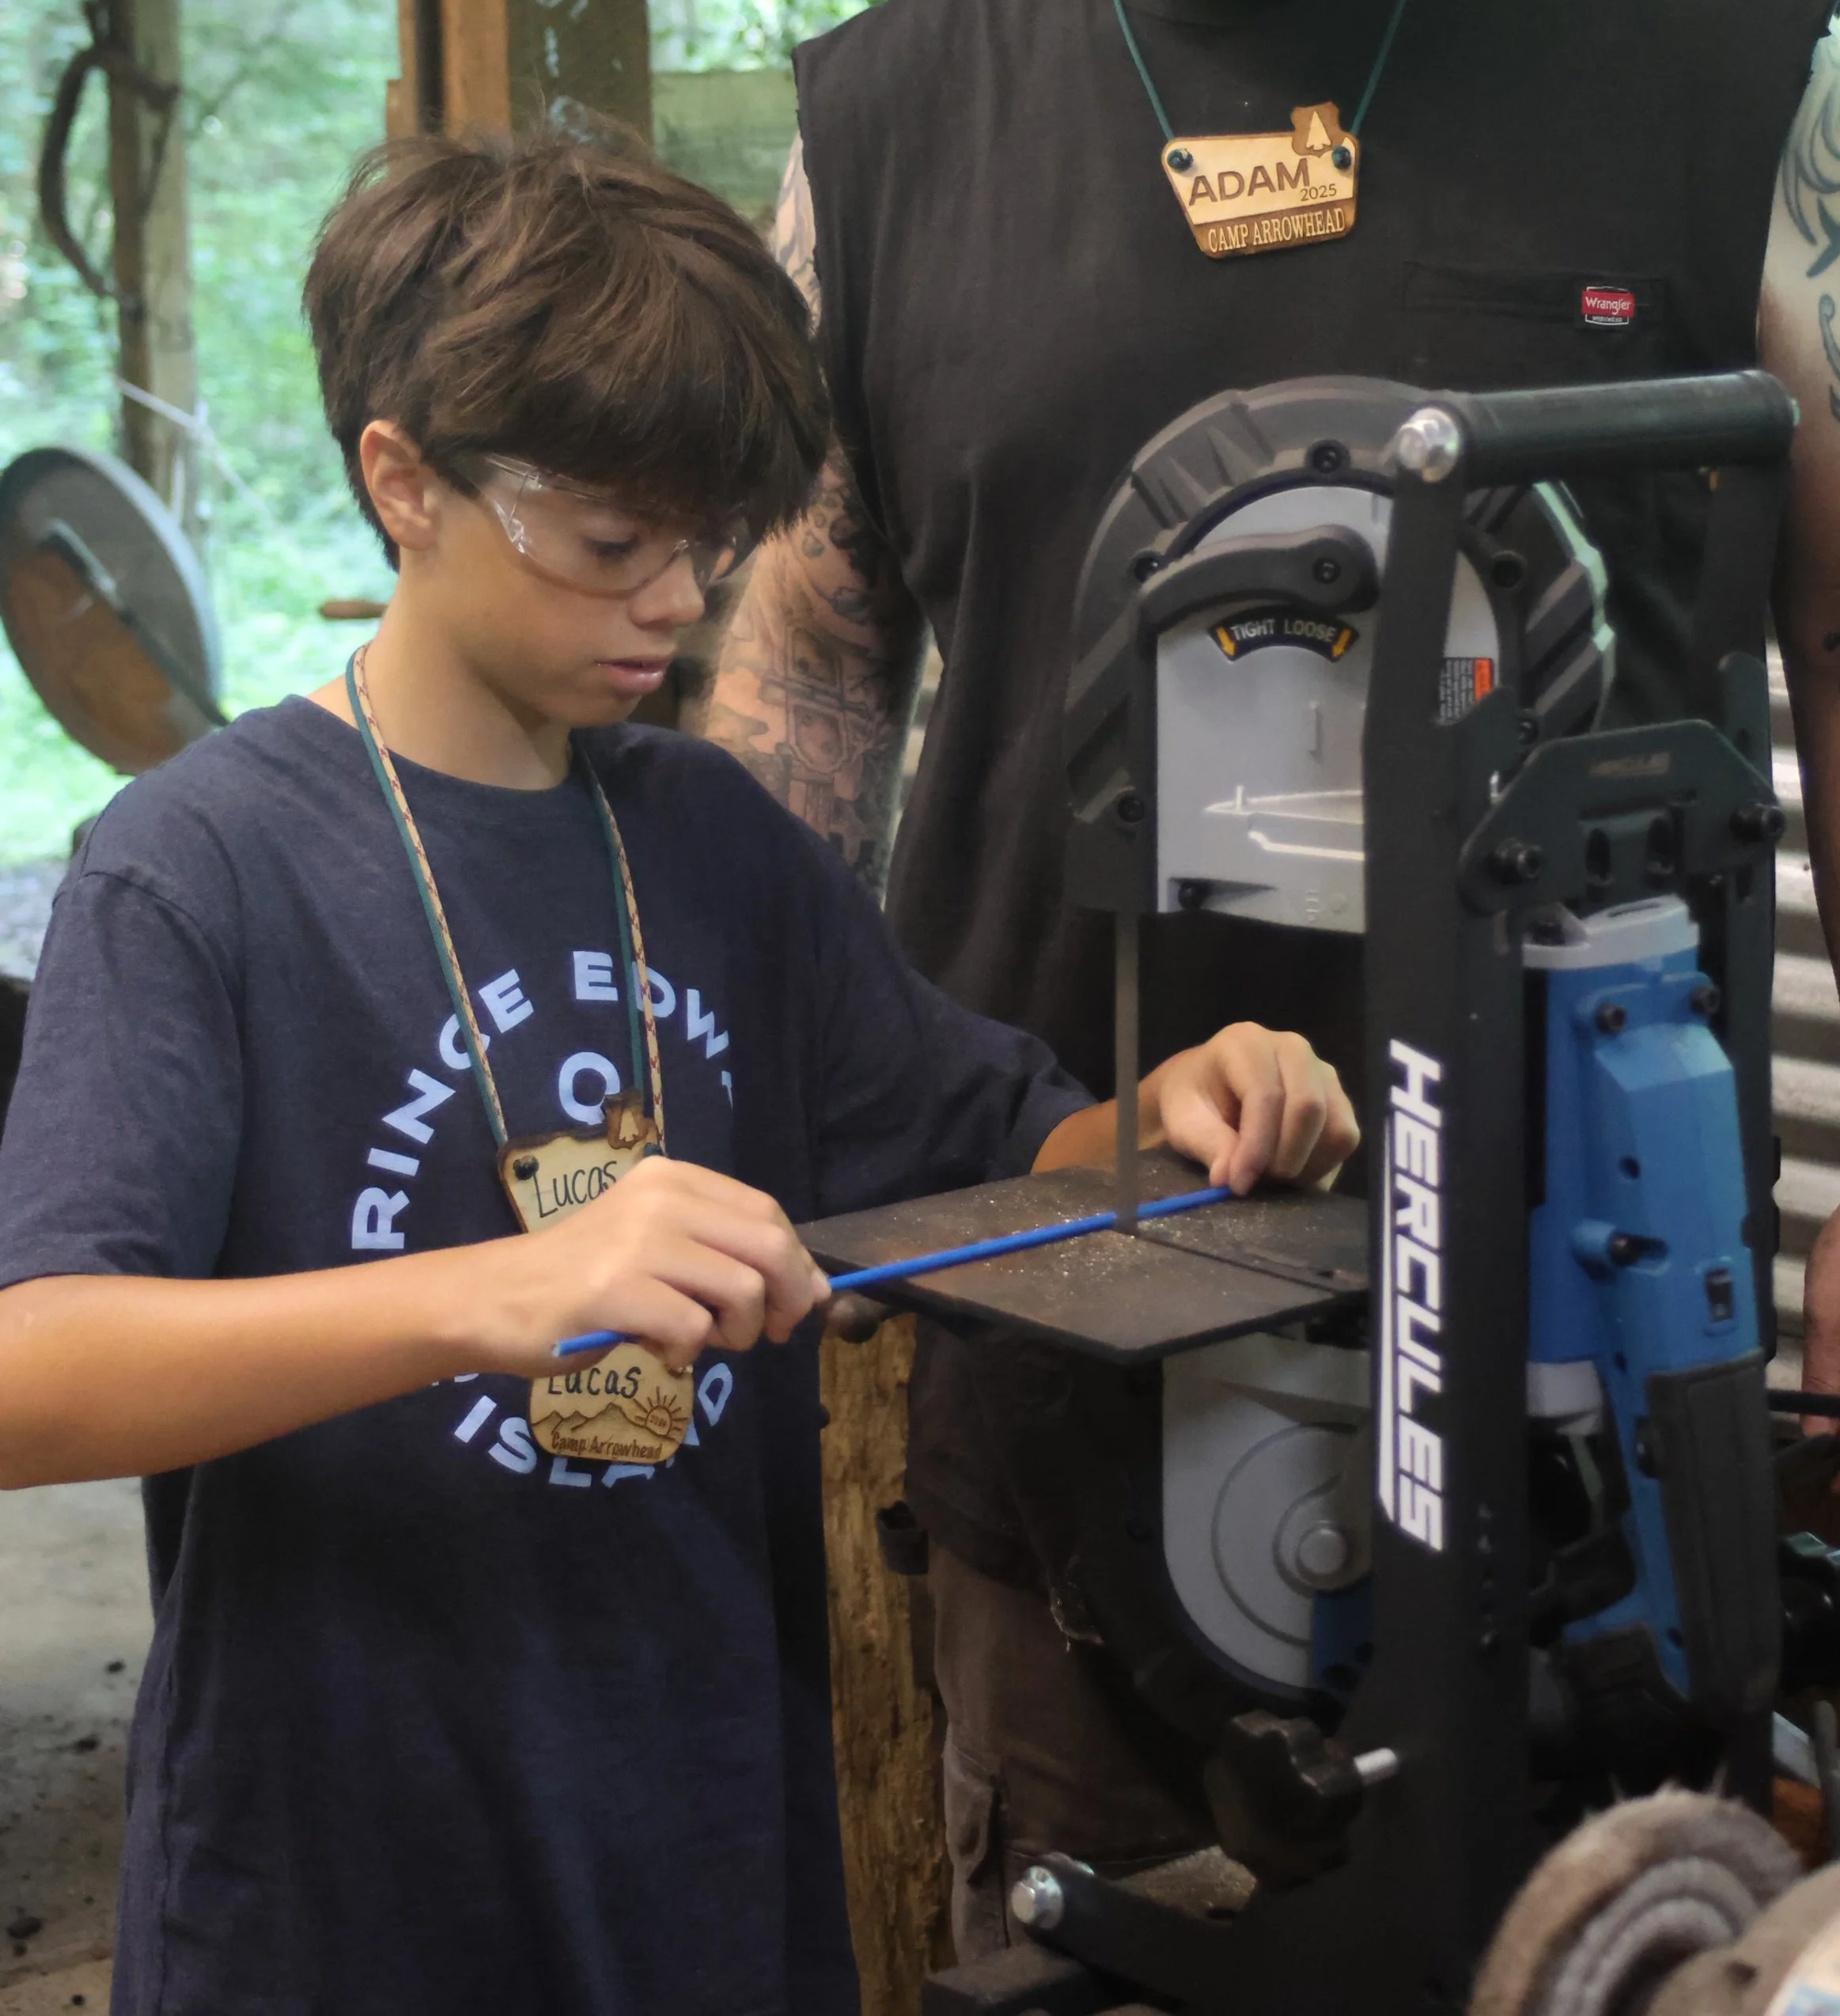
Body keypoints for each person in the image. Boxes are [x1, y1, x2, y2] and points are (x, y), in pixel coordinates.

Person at [703, 0, 1840, 1948]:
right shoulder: (889, 126)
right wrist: (738, 1173)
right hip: (1058, 1296)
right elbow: (798, 668)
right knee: (1073, 1931)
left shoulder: (1714, 64)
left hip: (1580, 1326)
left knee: (1593, 1940)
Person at [0, 127, 1353, 2016]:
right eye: (612, 541)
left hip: (695, 1836)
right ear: (401, 475)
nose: (676, 601)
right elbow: (35, 1370)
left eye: (707, 542)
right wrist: (494, 1296)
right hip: (339, 1878)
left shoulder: (707, 837)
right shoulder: (199, 869)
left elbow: (997, 1146)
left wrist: (1174, 1107)